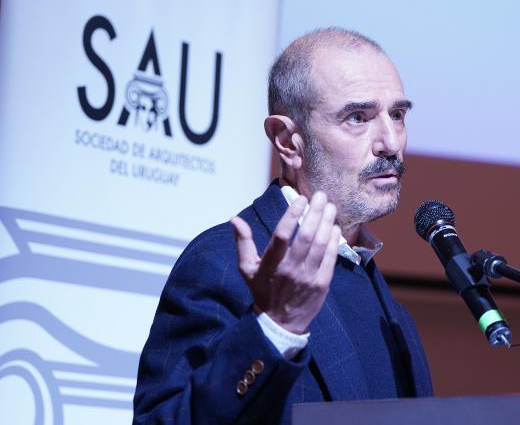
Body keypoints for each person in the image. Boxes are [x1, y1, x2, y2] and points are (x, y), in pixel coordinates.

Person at [133, 28, 433, 424]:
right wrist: (276, 328)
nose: (391, 143)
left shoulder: (389, 309)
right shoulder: (221, 263)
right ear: (288, 141)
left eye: (397, 115)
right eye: (358, 118)